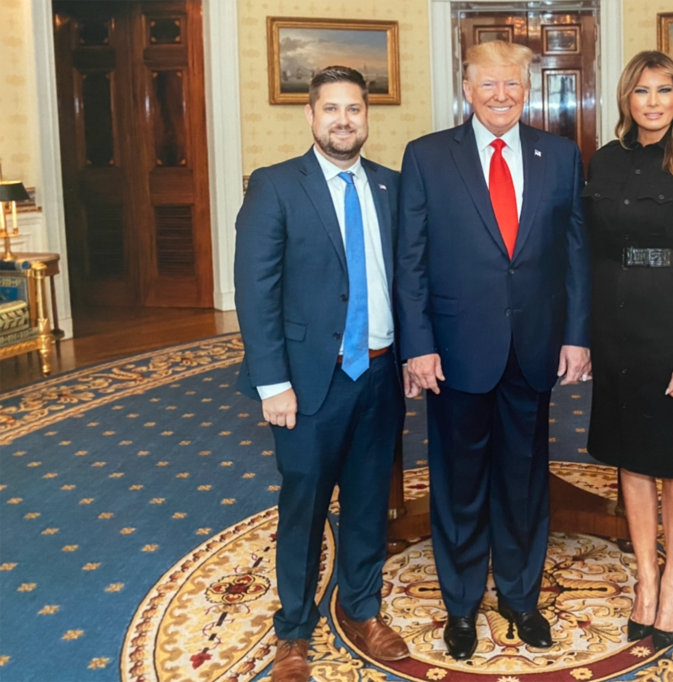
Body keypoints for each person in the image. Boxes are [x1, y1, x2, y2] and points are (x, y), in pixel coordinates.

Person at [396, 40, 591, 660]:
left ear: (526, 89)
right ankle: (460, 606)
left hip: (533, 347)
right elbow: (411, 262)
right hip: (454, 350)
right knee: (458, 481)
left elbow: (577, 256)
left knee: (525, 478)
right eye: (488, 85)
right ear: (467, 89)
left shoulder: (560, 156)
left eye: (512, 84)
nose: (501, 95)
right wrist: (418, 344)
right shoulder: (427, 157)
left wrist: (577, 334)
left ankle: (520, 596)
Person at [234, 66, 413, 682]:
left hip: (381, 375)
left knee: (368, 503)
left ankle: (363, 609)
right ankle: (293, 633)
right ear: (310, 117)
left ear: (368, 117)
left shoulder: (392, 187)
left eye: (355, 110)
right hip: (309, 382)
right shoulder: (276, 185)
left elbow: (409, 282)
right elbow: (255, 291)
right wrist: (271, 382)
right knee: (304, 508)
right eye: (331, 109)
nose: (344, 120)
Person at [583, 50, 673, 651]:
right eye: (642, 91)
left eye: (665, 91)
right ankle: (644, 574)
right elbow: (588, 248)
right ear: (626, 99)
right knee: (631, 452)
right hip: (614, 318)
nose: (653, 102)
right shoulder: (605, 160)